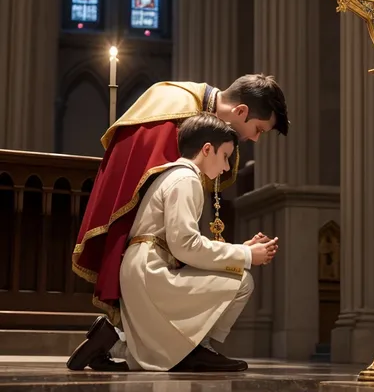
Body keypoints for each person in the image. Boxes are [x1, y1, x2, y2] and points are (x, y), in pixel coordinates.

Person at [68, 114, 278, 373]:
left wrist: (240, 250)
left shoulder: (173, 174)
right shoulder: (186, 179)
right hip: (151, 271)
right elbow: (186, 246)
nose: (225, 167)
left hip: (144, 267)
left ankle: (112, 343)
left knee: (160, 351)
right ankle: (201, 349)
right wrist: (245, 254)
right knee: (242, 281)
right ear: (207, 149)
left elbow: (181, 243)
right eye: (225, 156)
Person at [72, 76, 288, 318]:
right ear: (240, 111)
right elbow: (168, 226)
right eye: (258, 129)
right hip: (147, 260)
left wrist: (235, 251)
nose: (255, 139)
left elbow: (180, 230)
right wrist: (242, 254)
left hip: (159, 255)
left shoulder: (205, 135)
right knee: (237, 283)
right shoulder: (174, 109)